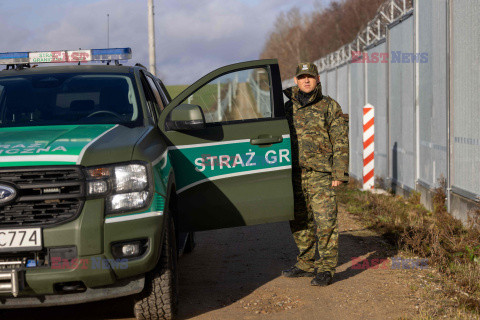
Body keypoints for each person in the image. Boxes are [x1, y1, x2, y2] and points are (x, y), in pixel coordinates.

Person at [282, 62, 349, 286]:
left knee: (325, 221)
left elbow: (340, 140)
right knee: (300, 220)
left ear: (318, 79)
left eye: (310, 76)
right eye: (302, 77)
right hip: (294, 174)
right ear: (296, 80)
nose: (306, 80)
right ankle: (305, 263)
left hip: (321, 174)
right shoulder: (286, 108)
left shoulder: (329, 106)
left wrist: (338, 173)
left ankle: (326, 268)